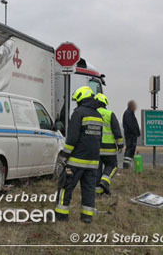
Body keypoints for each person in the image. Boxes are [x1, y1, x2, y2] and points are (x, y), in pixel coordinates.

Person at [55, 86, 103, 224]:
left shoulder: (78, 113)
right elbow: (99, 139)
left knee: (66, 186)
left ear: (81, 99)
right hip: (93, 162)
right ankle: (87, 217)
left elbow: (73, 137)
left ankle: (61, 214)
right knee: (89, 190)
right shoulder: (98, 115)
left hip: (76, 161)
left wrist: (64, 155)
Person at [94, 94, 124, 195]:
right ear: (105, 103)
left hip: (96, 148)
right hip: (109, 148)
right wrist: (120, 145)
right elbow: (116, 131)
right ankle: (105, 182)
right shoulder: (110, 114)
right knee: (112, 166)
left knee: (97, 170)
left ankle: (98, 192)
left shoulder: (92, 114)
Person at [122, 100, 141, 169]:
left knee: (131, 149)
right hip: (130, 135)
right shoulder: (128, 113)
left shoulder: (130, 113)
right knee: (130, 149)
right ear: (131, 106)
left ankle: (128, 164)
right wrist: (135, 132)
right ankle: (126, 165)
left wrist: (138, 132)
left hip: (132, 135)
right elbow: (131, 125)